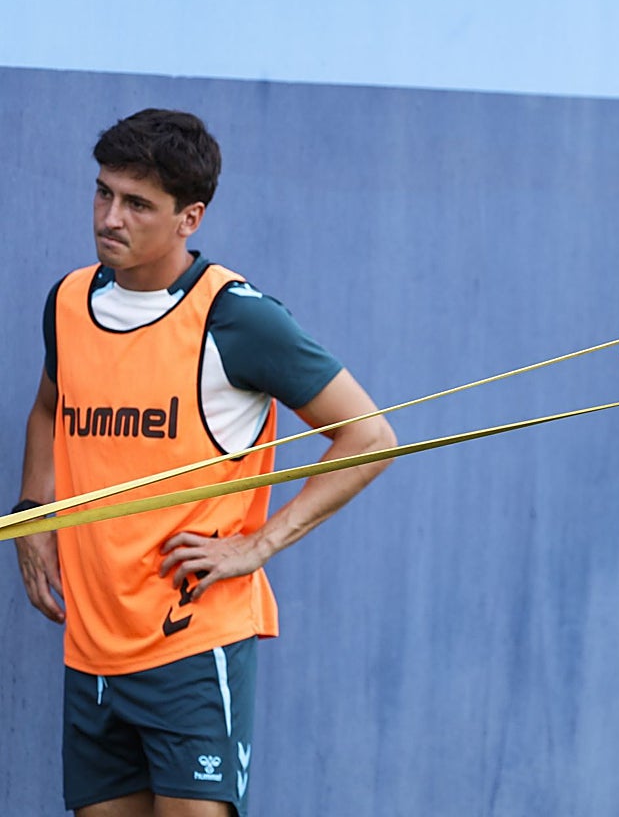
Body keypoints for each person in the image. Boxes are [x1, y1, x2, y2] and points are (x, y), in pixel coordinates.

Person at [11, 109, 397, 817]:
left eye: (137, 204)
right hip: (90, 645)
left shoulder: (236, 318)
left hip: (190, 646)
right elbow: (47, 406)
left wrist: (261, 543)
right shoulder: (70, 301)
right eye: (103, 193)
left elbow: (369, 437)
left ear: (190, 217)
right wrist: (33, 513)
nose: (109, 217)